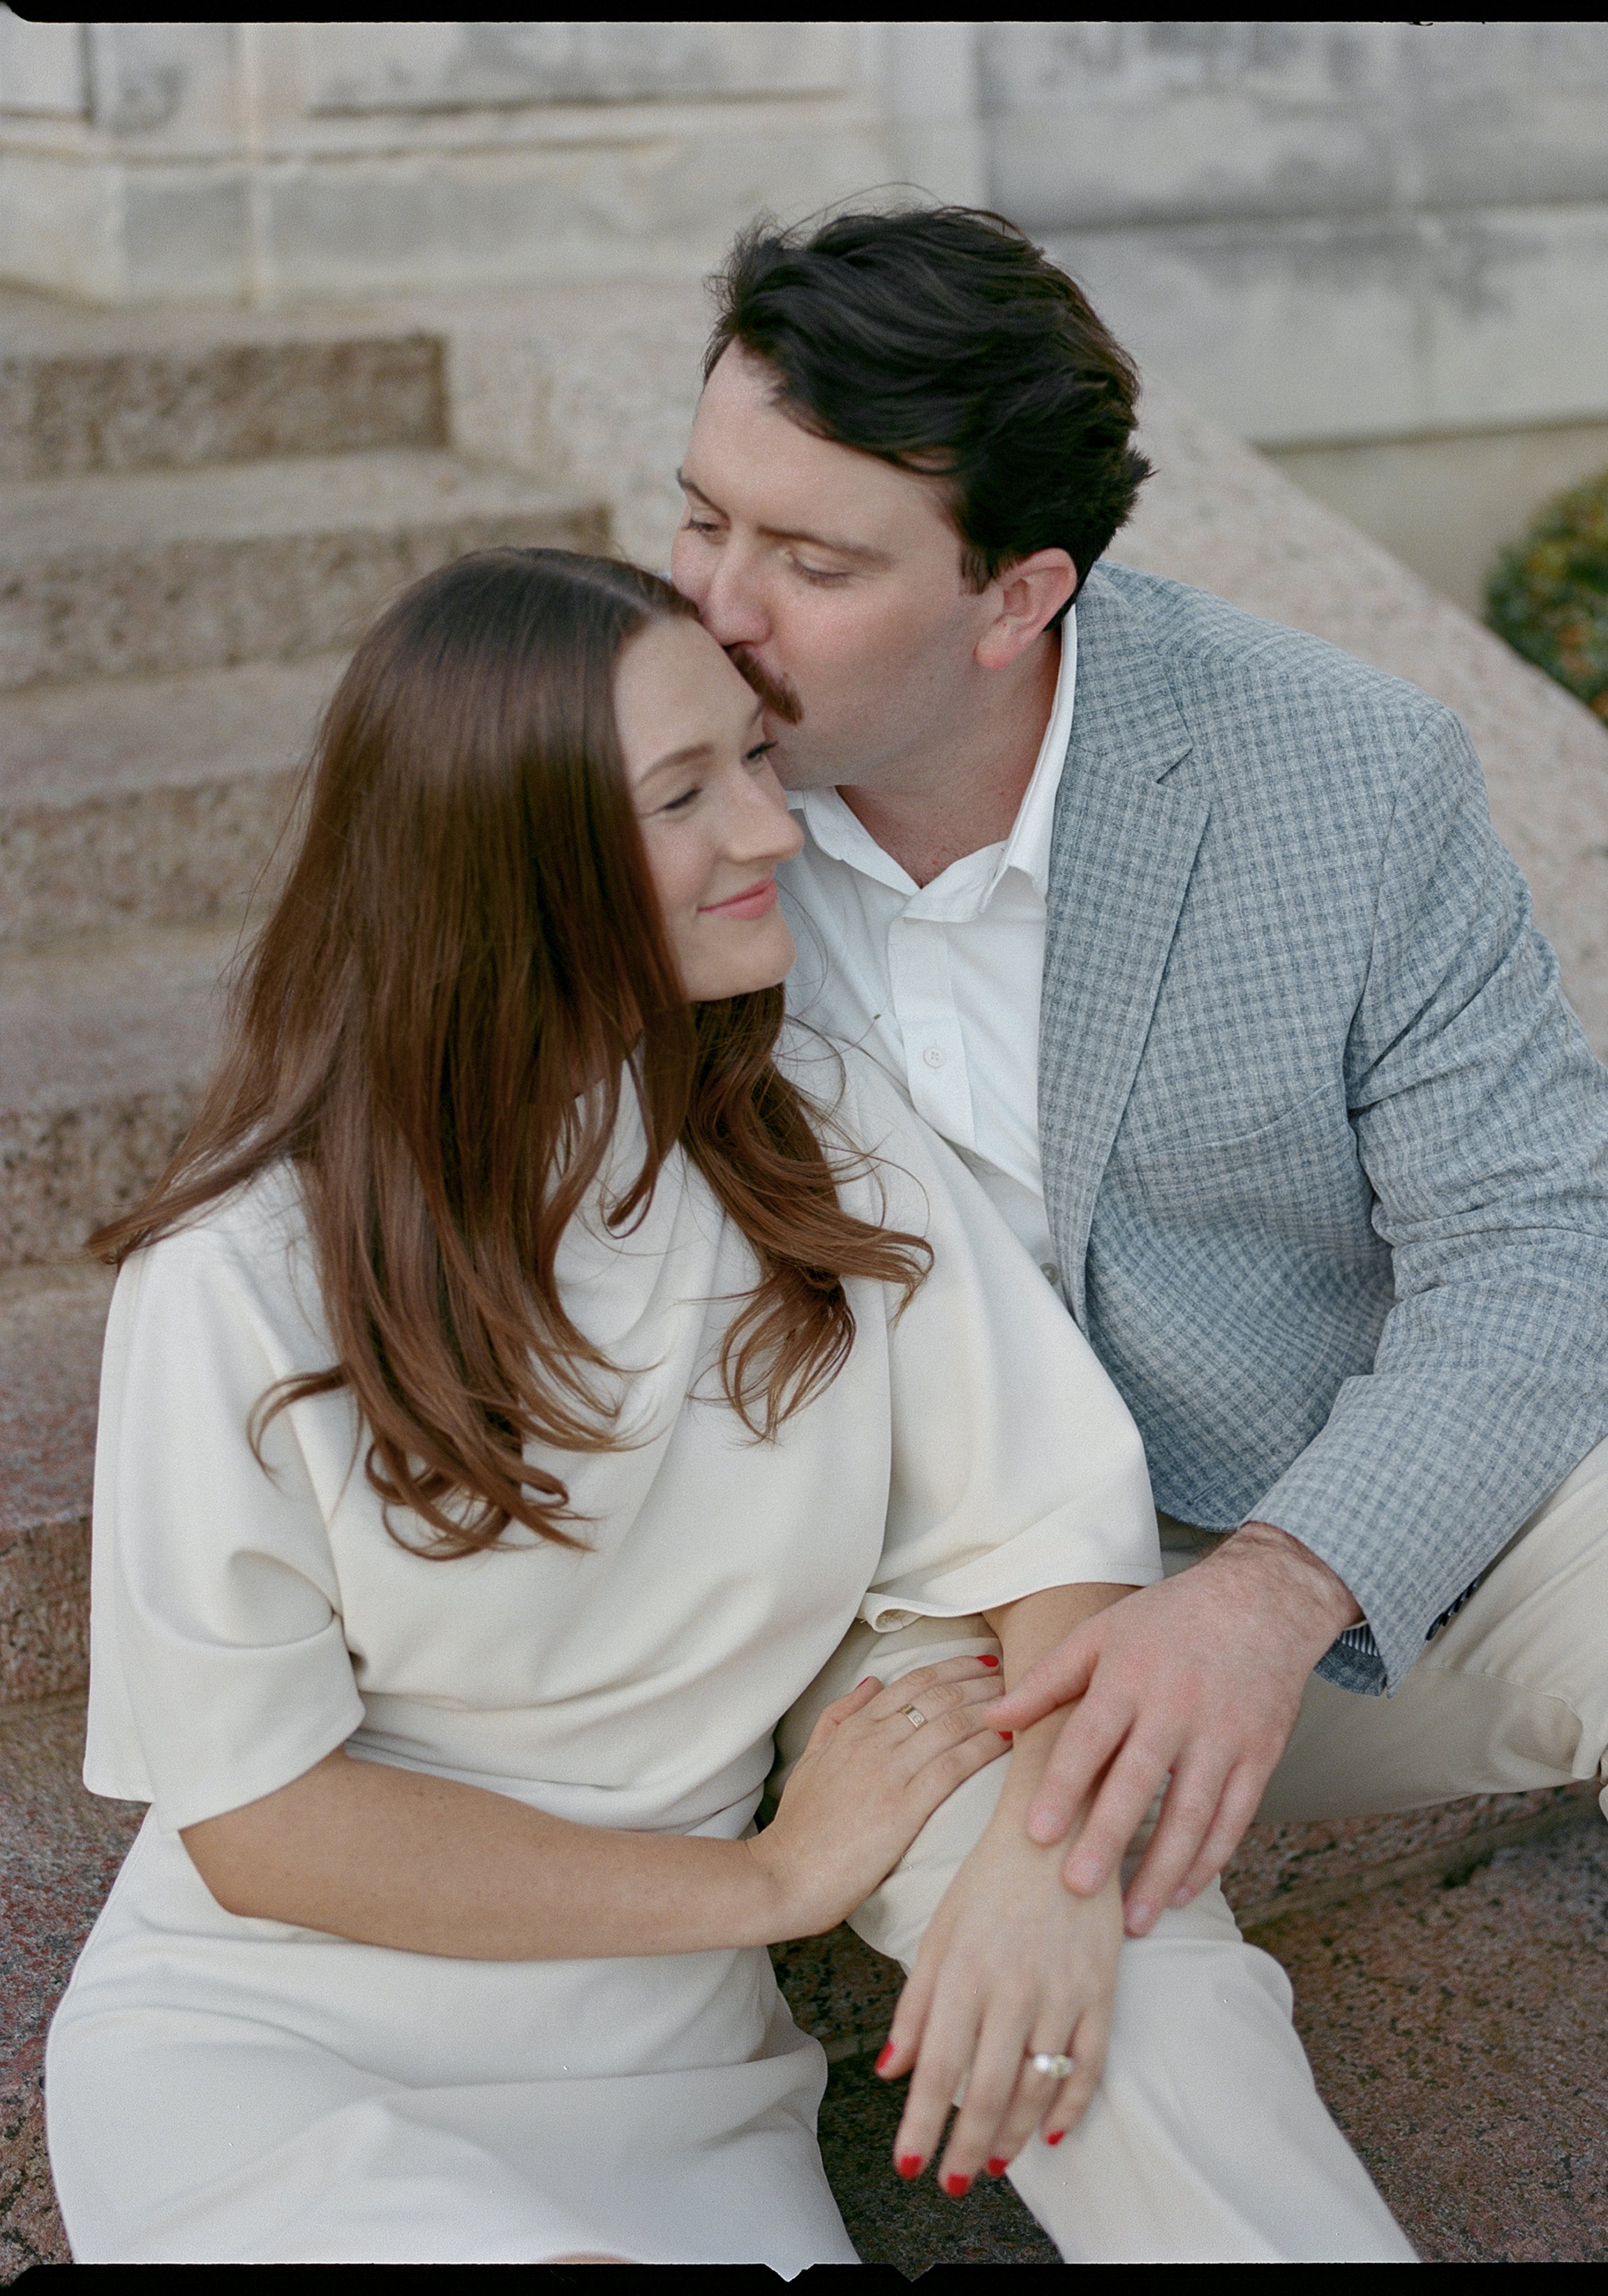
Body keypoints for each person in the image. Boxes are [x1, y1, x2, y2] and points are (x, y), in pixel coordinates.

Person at [669, 204, 1608, 2260]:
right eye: (703, 520)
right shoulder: (629, 765)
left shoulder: (1339, 766)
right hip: (903, 1633)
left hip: (1288, 1543)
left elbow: (1548, 1258)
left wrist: (1271, 1588)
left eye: (811, 562)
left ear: (1018, 593)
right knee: (1089, 1979)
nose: (715, 608)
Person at [43, 548, 1193, 2267]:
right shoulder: (237, 1281)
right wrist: (768, 1888)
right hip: (290, 2056)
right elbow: (267, 1823)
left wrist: (1047, 1853)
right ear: (508, 858)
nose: (774, 830)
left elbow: (1043, 1512)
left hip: (676, 2087)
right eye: (683, 793)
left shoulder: (812, 1123)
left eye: (753, 755)